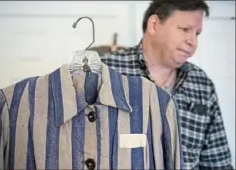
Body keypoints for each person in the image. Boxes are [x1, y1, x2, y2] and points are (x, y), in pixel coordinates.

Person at [100, 0, 233, 169]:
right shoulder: (104, 73)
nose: (193, 42)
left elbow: (218, 163)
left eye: (197, 33)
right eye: (185, 29)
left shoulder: (202, 84)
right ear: (154, 25)